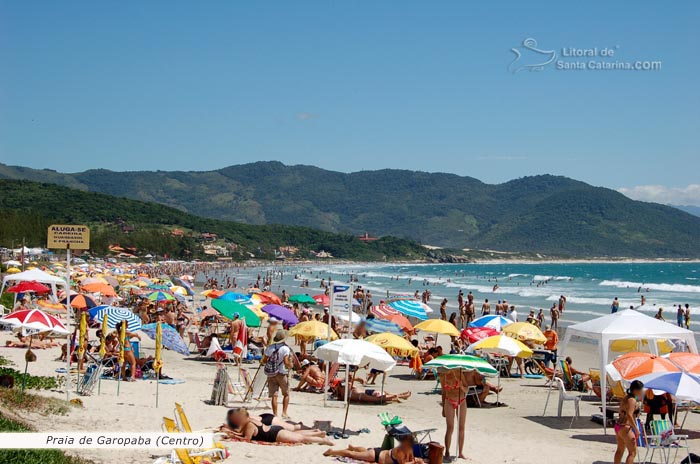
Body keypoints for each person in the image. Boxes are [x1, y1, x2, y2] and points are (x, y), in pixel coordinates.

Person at [225, 408, 333, 445]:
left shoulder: (249, 425)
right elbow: (242, 433)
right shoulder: (251, 421)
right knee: (295, 434)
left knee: (301, 438)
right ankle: (317, 432)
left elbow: (246, 439)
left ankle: (322, 440)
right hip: (274, 430)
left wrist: (234, 436)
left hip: (274, 434)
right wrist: (233, 434)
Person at [323, 435, 422, 464]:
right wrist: (415, 462)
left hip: (379, 452)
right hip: (376, 456)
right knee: (352, 454)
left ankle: (353, 447)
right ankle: (332, 451)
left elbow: (411, 460)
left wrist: (418, 461)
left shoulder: (409, 450)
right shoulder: (399, 451)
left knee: (365, 451)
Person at [438, 368, 469, 460]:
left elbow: (467, 390)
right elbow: (443, 392)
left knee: (461, 427)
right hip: (449, 401)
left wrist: (461, 386)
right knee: (450, 427)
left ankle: (460, 452)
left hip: (461, 401)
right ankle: (447, 451)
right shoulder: (443, 376)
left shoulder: (459, 373)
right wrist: (443, 407)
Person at [263, 329, 292, 418]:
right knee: (286, 394)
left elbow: (264, 360)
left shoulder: (270, 347)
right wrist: (291, 365)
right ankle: (284, 413)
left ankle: (275, 414)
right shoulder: (285, 348)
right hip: (281, 372)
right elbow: (286, 362)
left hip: (271, 373)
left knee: (274, 395)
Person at [614, 380, 643, 464]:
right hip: (625, 426)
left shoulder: (626, 397)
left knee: (620, 450)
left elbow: (621, 411)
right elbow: (629, 415)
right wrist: (636, 429)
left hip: (618, 425)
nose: (642, 392)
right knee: (632, 452)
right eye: (641, 390)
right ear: (636, 390)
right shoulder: (632, 400)